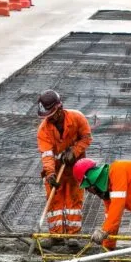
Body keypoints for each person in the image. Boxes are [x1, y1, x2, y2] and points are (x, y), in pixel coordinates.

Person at [36, 90, 92, 249]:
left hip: (75, 167)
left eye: (51, 114)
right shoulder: (43, 130)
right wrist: (50, 174)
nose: (49, 118)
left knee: (74, 199)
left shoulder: (77, 118)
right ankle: (56, 236)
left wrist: (74, 152)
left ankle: (72, 236)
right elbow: (46, 154)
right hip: (55, 168)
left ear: (59, 109)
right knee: (54, 201)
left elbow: (87, 138)